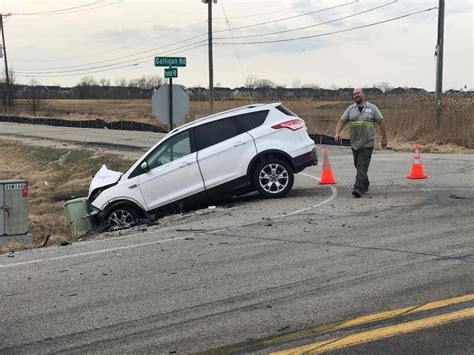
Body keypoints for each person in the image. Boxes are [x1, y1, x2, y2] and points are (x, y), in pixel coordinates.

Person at [334, 88, 387, 198]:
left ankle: (357, 188)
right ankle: (365, 184)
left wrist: (384, 139)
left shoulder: (372, 108)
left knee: (362, 167)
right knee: (358, 166)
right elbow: (341, 121)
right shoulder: (350, 109)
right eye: (354, 94)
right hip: (355, 143)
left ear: (363, 94)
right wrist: (337, 133)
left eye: (358, 93)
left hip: (367, 143)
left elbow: (381, 122)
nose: (355, 95)